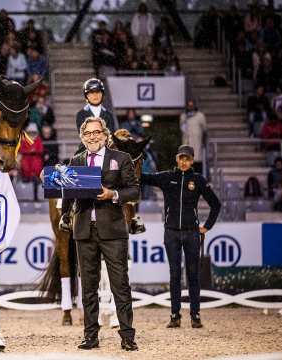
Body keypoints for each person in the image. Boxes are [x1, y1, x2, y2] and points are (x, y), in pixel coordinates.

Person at [60, 117, 139, 351]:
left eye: (97, 133)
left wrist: (112, 194)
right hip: (84, 230)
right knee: (88, 287)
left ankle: (127, 336)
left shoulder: (121, 159)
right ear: (82, 137)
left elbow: (134, 189)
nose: (92, 137)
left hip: (113, 230)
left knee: (120, 285)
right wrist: (53, 181)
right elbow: (68, 195)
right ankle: (90, 336)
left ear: (105, 135)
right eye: (88, 134)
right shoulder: (76, 160)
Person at [140, 145, 221, 329]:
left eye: (188, 159)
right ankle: (175, 316)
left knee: (193, 275)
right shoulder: (167, 177)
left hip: (192, 233)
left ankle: (195, 315)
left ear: (192, 161)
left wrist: (206, 227)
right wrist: (131, 163)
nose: (184, 162)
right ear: (176, 159)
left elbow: (216, 204)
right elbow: (144, 178)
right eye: (181, 158)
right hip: (171, 233)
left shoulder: (198, 180)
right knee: (174, 274)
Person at [179, 100, 207, 174]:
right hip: (187, 144)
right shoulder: (183, 116)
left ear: (195, 106)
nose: (190, 107)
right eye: (189, 105)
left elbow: (205, 130)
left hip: (197, 144)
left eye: (192, 105)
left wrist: (204, 142)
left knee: (197, 164)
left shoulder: (200, 116)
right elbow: (182, 128)